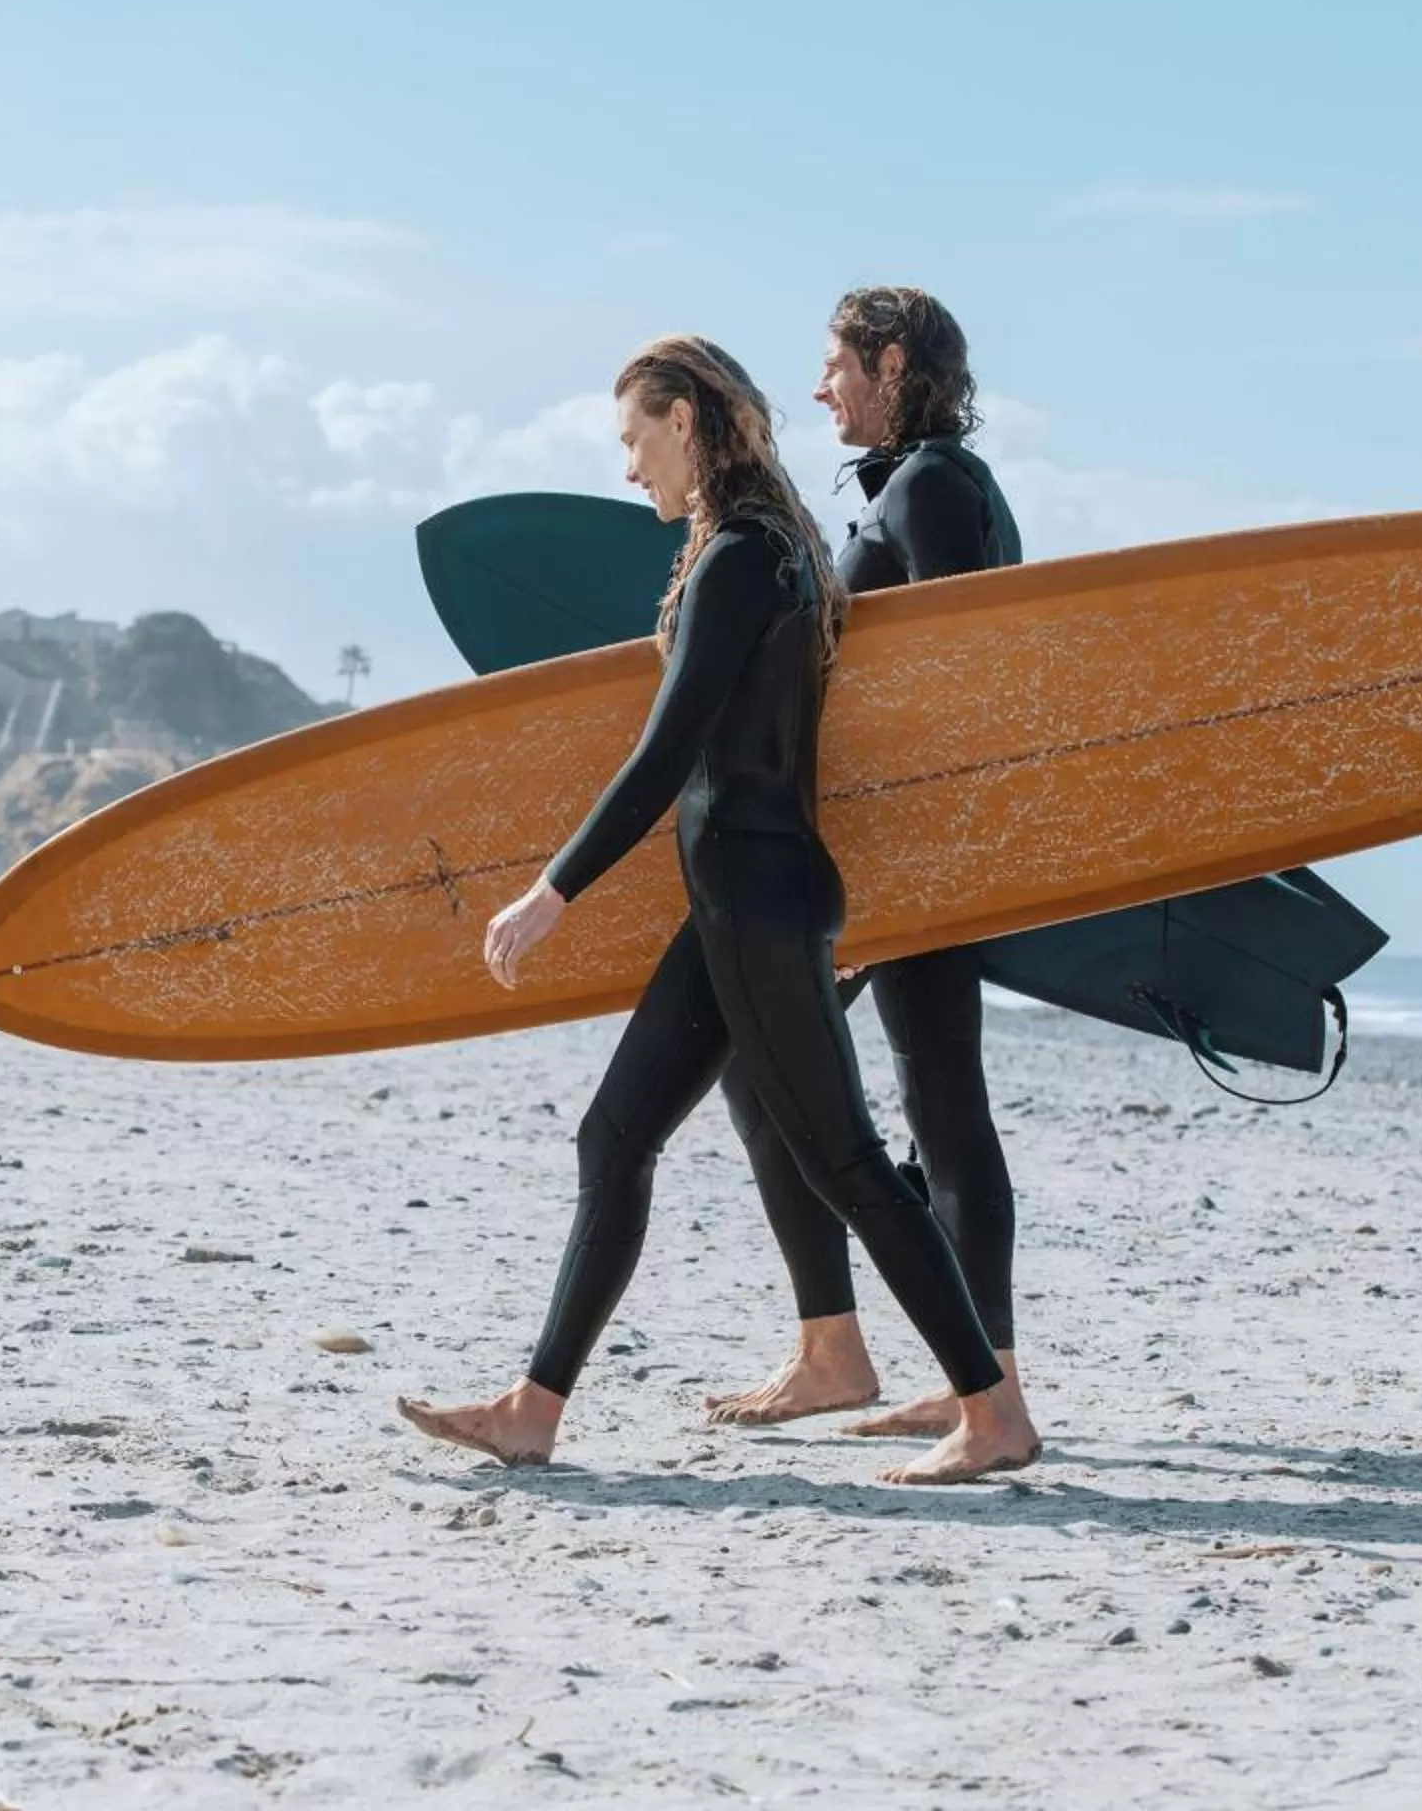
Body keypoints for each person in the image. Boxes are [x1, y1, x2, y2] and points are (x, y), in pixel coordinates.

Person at [395, 334, 1040, 1485]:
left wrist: (554, 889)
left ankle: (992, 1410)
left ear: (686, 423)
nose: (631, 467)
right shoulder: (770, 547)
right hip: (740, 899)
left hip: (759, 898)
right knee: (618, 1135)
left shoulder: (746, 555)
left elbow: (670, 746)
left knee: (846, 1158)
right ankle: (533, 1406)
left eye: (637, 439)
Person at [701, 287, 1027, 1441]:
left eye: (835, 362)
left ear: (890, 362)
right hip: (913, 851)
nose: (820, 385)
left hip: (915, 855)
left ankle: (855, 1352)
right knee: (934, 1099)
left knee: (782, 1066)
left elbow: (955, 664)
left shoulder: (936, 486)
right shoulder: (926, 485)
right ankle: (950, 1365)